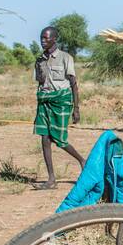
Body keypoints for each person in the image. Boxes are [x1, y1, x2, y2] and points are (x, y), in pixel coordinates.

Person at [33, 25, 84, 190]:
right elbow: (40, 82)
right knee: (45, 139)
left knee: (59, 140)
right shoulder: (39, 60)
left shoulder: (65, 58)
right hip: (45, 101)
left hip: (61, 101)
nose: (43, 41)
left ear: (54, 39)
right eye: (41, 38)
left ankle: (82, 160)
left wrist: (76, 109)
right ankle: (51, 179)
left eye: (46, 38)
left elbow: (74, 85)